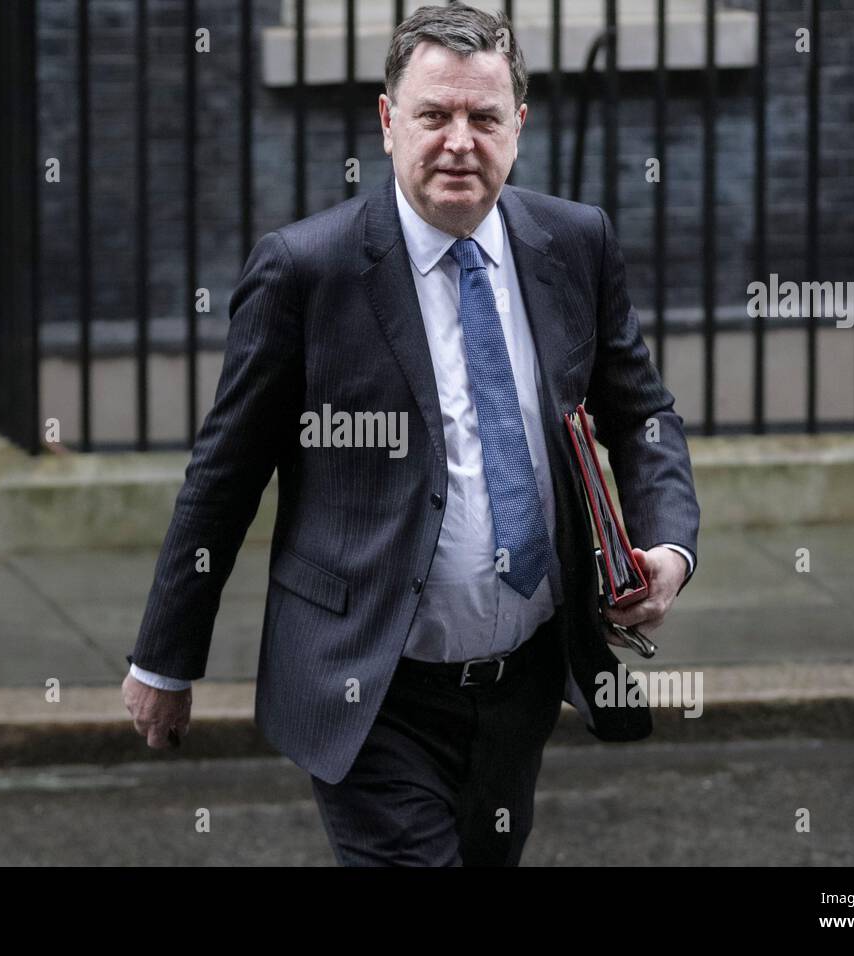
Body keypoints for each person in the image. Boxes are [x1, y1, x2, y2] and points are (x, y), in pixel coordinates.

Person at [121, 1, 699, 866]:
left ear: (519, 127)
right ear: (389, 122)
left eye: (483, 117)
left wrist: (669, 547)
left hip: (522, 680)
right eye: (434, 115)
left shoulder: (576, 244)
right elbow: (225, 472)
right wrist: (166, 660)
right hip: (370, 684)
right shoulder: (306, 271)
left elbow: (641, 413)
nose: (459, 140)